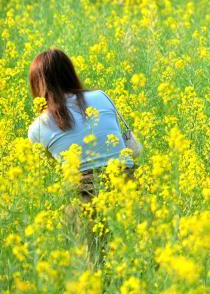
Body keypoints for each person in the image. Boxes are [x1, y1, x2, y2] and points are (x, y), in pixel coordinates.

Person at [27, 48, 135, 201]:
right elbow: (118, 142)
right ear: (70, 73)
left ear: (37, 84)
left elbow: (57, 169)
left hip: (86, 196)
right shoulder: (101, 97)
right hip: (128, 185)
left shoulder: (37, 129)